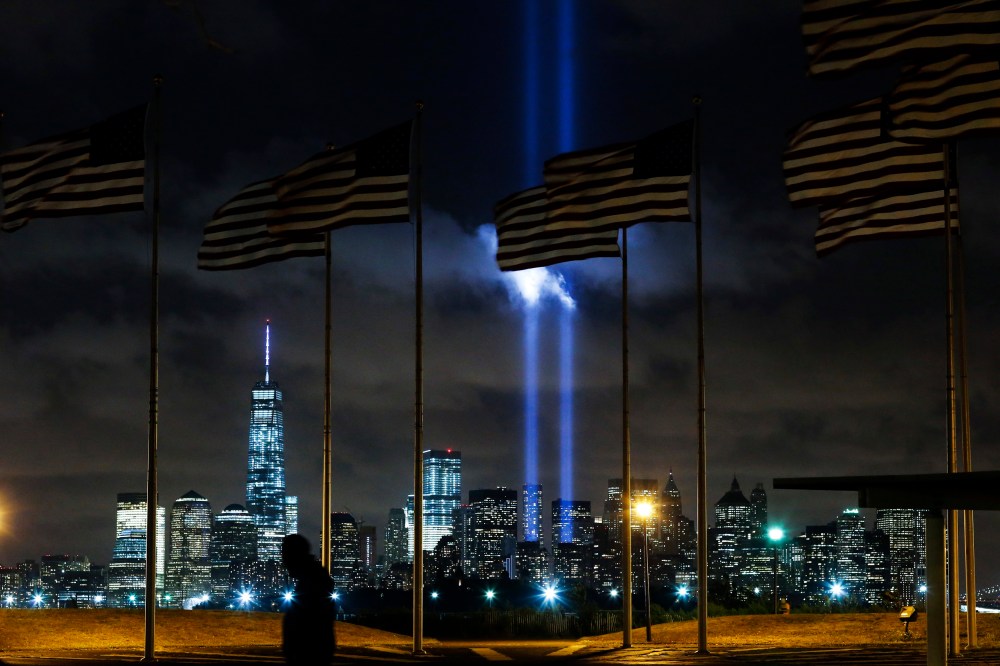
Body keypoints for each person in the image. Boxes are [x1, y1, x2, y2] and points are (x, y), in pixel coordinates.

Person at [281, 534, 336, 665]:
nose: (283, 560)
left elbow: (308, 624)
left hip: (309, 656)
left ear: (295, 555)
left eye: (285, 554)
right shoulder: (313, 578)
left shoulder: (313, 582)